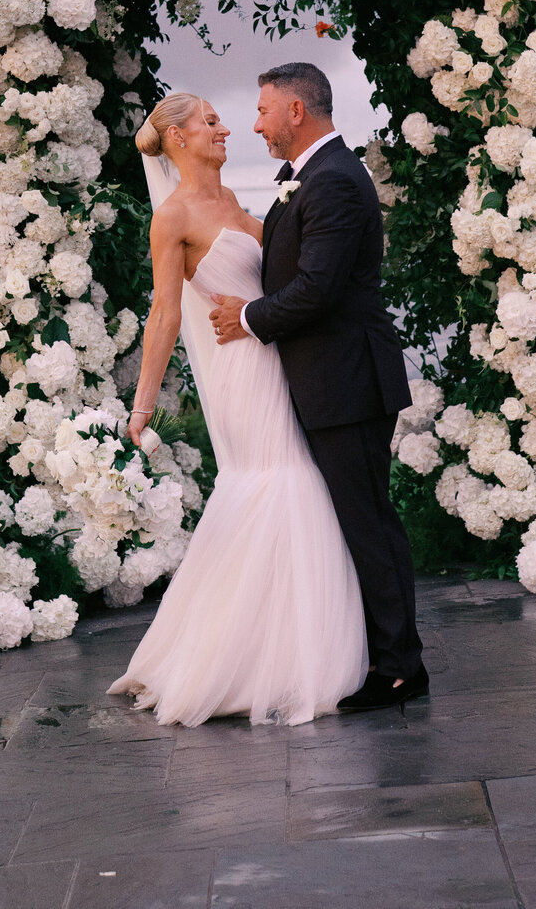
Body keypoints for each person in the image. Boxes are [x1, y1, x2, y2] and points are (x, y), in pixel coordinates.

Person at [107, 91, 366, 726]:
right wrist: (141, 408)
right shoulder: (173, 217)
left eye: (223, 121)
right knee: (281, 483)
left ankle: (273, 648)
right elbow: (165, 314)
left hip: (276, 356)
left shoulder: (236, 202)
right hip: (244, 372)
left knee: (290, 487)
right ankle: (263, 663)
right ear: (176, 137)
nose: (227, 131)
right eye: (212, 123)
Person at [209, 62, 427, 711]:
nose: (255, 122)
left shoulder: (332, 178)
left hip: (348, 378)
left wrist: (246, 318)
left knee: (369, 522)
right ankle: (383, 654)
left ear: (296, 111)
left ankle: (398, 667)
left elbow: (317, 287)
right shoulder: (314, 175)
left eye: (262, 109)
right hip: (331, 379)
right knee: (360, 520)